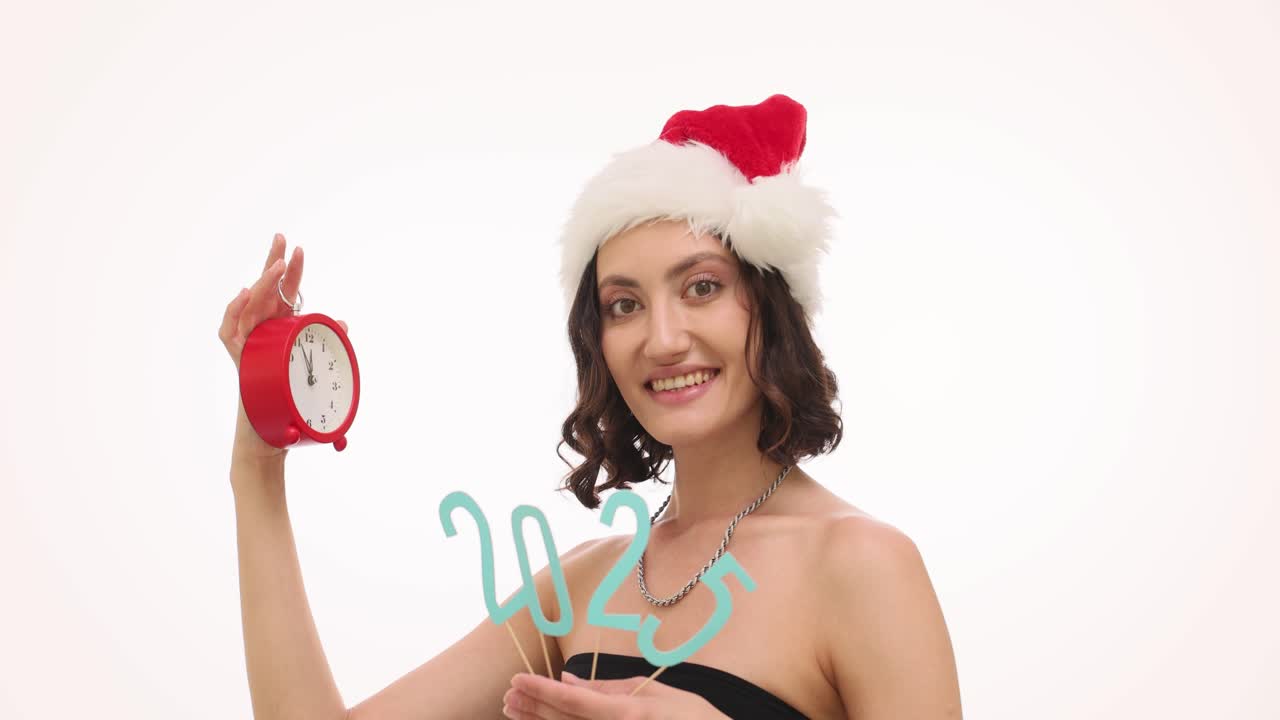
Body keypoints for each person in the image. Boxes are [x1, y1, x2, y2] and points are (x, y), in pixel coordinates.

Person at [219, 94, 962, 720]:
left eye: (700, 286)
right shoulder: (584, 584)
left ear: (770, 306)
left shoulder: (861, 565)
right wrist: (259, 467)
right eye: (624, 304)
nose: (663, 339)